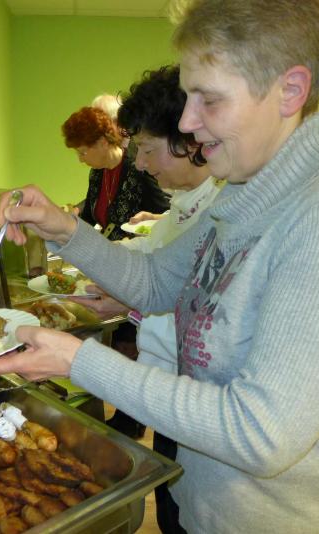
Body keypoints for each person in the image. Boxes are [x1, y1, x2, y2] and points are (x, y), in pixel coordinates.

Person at [0, 0, 319, 531]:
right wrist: (63, 228)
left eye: (209, 99)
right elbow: (156, 282)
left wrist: (79, 362)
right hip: (212, 509)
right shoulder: (244, 193)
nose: (186, 121)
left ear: (290, 90)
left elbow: (261, 433)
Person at [77, 64, 222, 534]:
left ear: (190, 140)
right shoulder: (185, 207)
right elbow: (158, 276)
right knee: (171, 509)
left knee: (181, 515)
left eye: (146, 149)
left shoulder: (218, 214)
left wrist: (127, 307)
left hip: (187, 397)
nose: (139, 164)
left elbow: (191, 305)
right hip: (167, 390)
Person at [62, 106, 169, 242]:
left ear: (102, 143)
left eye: (83, 152)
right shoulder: (96, 173)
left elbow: (164, 215)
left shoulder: (138, 170)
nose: (81, 160)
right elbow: (89, 216)